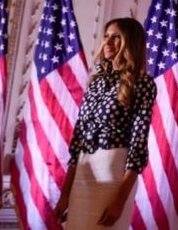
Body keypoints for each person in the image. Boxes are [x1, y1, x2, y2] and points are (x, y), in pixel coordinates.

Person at [53, 18, 156, 229]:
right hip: (82, 170)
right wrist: (65, 194)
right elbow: (78, 137)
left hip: (113, 171)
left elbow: (138, 142)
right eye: (106, 36)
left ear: (131, 43)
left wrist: (120, 199)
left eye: (116, 37)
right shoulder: (96, 82)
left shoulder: (142, 82)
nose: (108, 42)